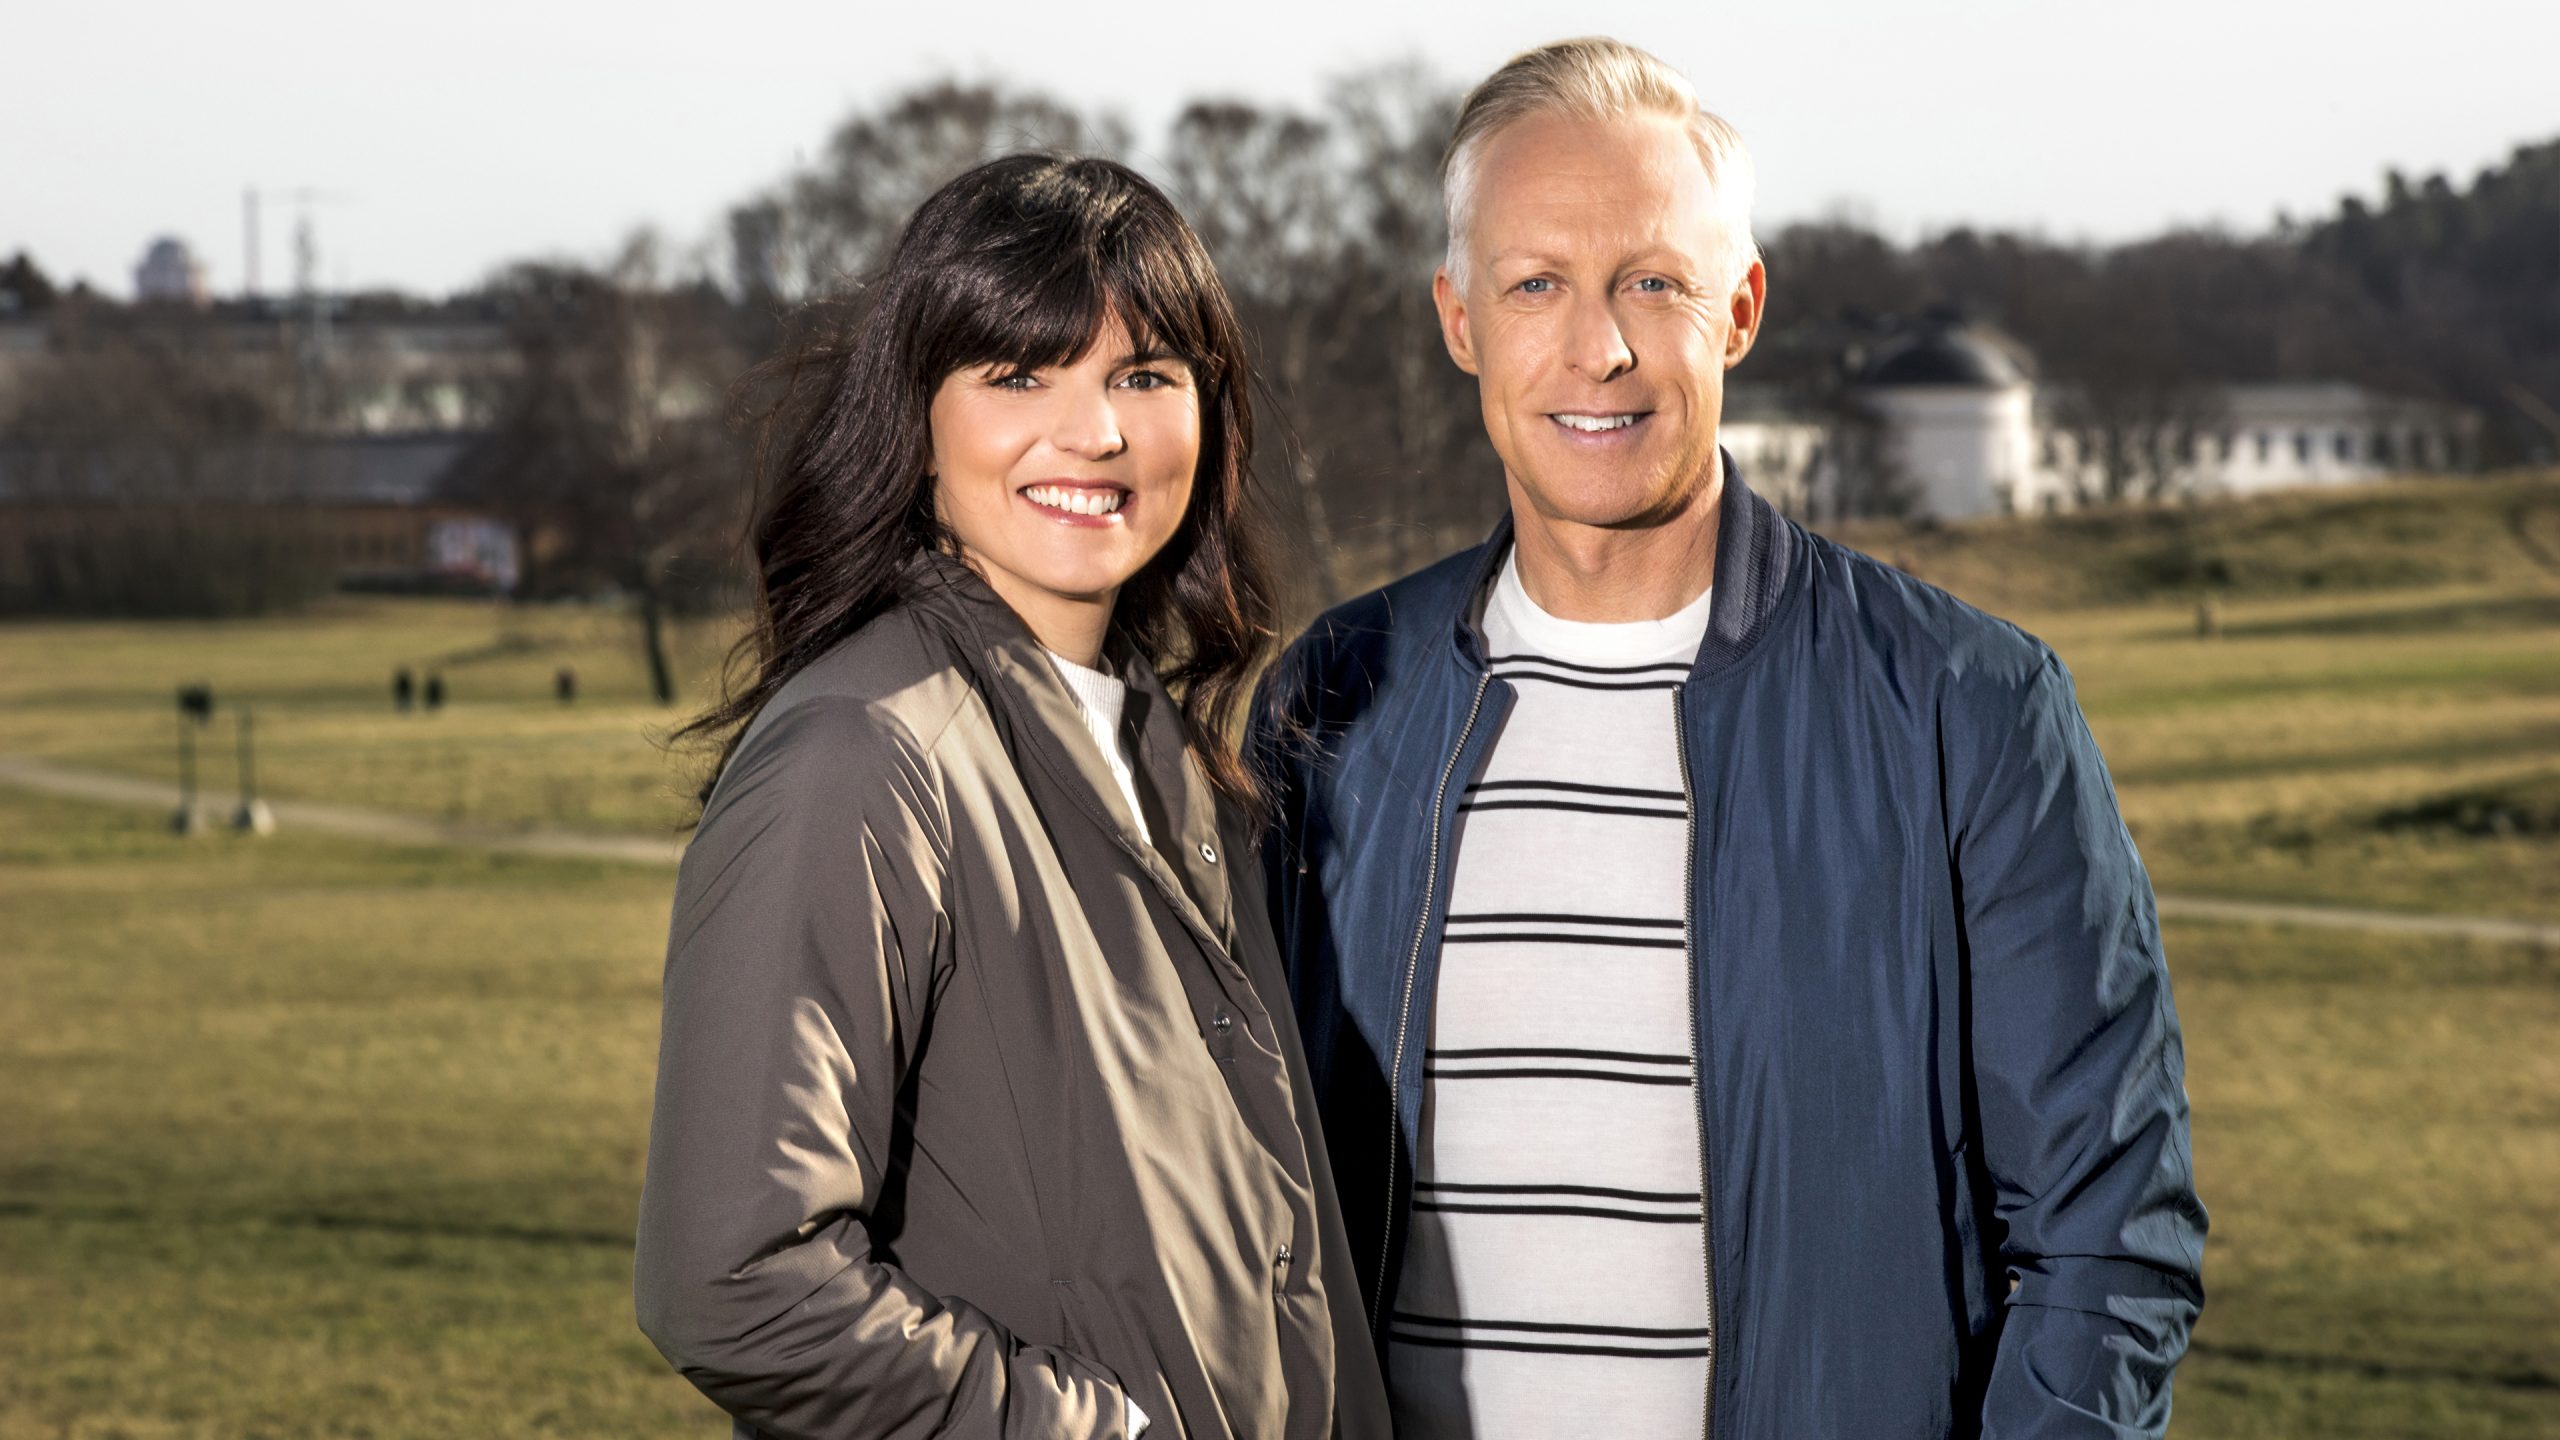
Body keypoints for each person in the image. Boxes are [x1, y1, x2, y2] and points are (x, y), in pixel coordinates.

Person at [1248, 38, 2206, 1440]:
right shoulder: (1336, 695)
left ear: (1740, 309)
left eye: (1654, 281)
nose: (1603, 349)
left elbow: (2109, 1236)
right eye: (1537, 286)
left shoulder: (1967, 709)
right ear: (1460, 320)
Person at [634, 154, 1390, 1440]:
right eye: (1019, 375)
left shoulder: (1183, 766)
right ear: (916, 417)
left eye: (1144, 376)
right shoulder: (861, 757)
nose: (1094, 432)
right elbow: (732, 1280)